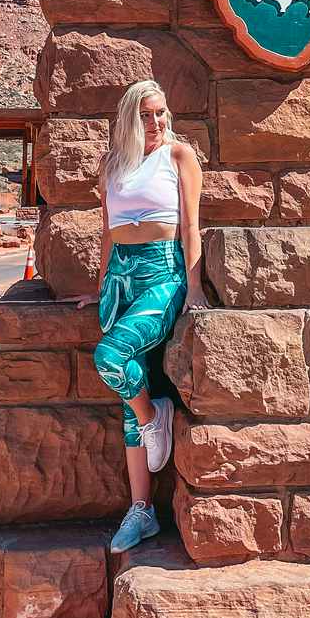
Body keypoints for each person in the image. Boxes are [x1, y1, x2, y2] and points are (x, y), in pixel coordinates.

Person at [81, 79, 206, 553]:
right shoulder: (112, 164)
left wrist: (192, 287)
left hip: (161, 272)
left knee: (111, 357)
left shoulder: (178, 156)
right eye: (145, 115)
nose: (155, 123)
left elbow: (192, 224)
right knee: (127, 392)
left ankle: (156, 415)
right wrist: (99, 289)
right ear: (128, 119)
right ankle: (141, 511)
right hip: (119, 278)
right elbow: (107, 234)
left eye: (160, 113)